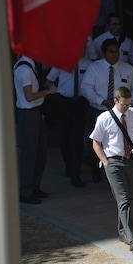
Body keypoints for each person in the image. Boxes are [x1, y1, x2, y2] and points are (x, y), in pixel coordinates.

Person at [90, 86, 133, 252]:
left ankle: (122, 231)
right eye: (124, 105)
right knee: (123, 199)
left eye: (129, 104)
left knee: (130, 197)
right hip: (113, 162)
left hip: (129, 160)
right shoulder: (104, 118)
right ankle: (132, 237)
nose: (127, 108)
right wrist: (105, 162)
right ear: (116, 101)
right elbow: (95, 141)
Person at [81, 38, 133, 182]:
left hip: (122, 112)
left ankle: (121, 172)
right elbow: (86, 88)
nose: (114, 55)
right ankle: (96, 171)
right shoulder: (95, 68)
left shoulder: (127, 69)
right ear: (104, 53)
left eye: (116, 52)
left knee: (120, 142)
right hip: (99, 110)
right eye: (110, 52)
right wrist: (101, 101)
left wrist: (125, 103)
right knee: (97, 141)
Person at [46, 39, 93, 188]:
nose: (83, 50)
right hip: (63, 102)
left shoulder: (89, 64)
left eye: (84, 47)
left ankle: (75, 173)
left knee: (77, 138)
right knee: (63, 137)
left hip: (80, 102)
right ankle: (68, 163)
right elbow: (49, 81)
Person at [14, 56, 57, 204]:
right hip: (29, 114)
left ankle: (34, 186)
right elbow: (29, 96)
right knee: (30, 152)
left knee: (40, 151)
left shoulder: (29, 66)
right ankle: (26, 191)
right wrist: (48, 92)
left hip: (35, 113)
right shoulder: (25, 69)